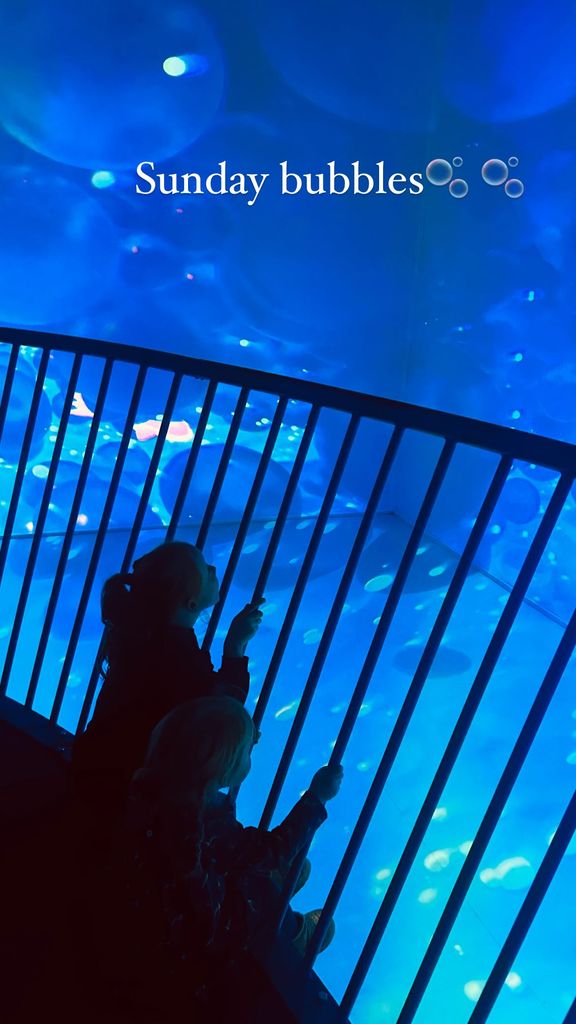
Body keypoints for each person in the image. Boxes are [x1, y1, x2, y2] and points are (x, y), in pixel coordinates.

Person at [89, 696, 343, 1021]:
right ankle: (295, 933)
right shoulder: (204, 824)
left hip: (150, 913)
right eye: (246, 754)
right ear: (222, 771)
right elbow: (267, 851)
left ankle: (276, 893)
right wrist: (316, 798)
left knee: (266, 866)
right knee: (257, 877)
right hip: (201, 940)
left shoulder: (149, 791)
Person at [70, 541, 264, 844]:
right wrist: (235, 646)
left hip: (95, 769)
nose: (213, 569)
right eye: (204, 568)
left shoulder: (143, 636)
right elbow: (220, 713)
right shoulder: (178, 657)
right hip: (129, 794)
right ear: (190, 602)